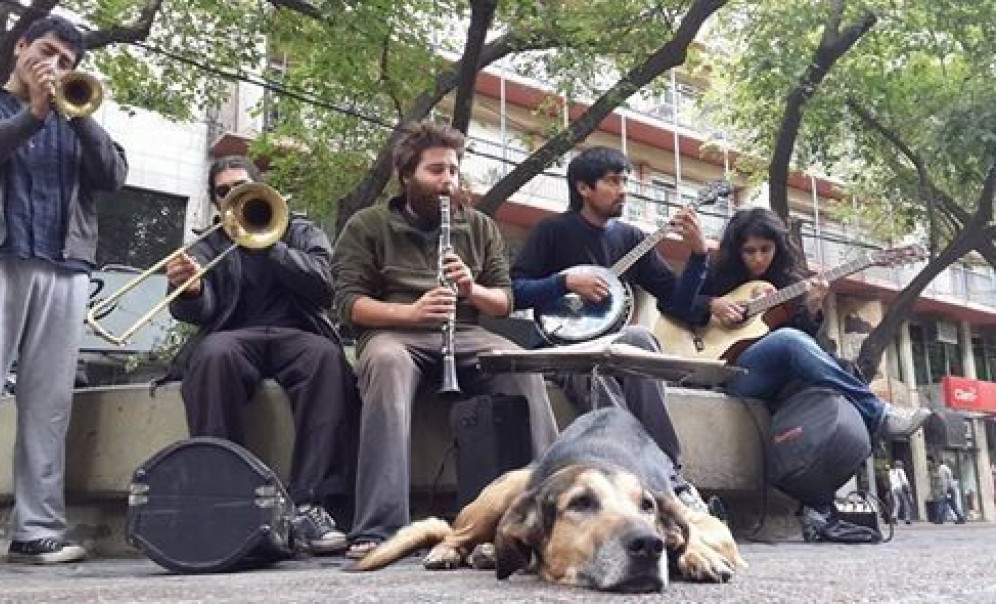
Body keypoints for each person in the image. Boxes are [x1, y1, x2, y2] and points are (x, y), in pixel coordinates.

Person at [0, 16, 128, 570]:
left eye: (68, 62)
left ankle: (36, 532)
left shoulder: (78, 111)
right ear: (20, 48)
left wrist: (79, 117)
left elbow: (113, 175)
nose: (56, 67)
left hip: (64, 266)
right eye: (47, 52)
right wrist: (33, 115)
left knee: (49, 407)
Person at [332, 121, 559, 559]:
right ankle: (381, 525)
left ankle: (550, 507)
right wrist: (410, 312)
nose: (447, 181)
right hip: (394, 332)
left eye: (453, 171)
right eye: (435, 171)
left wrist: (471, 290)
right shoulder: (368, 225)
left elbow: (505, 300)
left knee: (520, 366)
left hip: (468, 331)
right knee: (386, 364)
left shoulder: (478, 227)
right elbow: (347, 303)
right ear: (407, 175)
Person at [161, 156, 360, 555]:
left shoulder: (301, 230)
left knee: (325, 359)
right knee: (212, 356)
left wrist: (272, 246)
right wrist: (190, 292)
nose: (233, 195)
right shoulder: (207, 245)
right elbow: (194, 313)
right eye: (223, 191)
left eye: (240, 186)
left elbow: (325, 287)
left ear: (260, 187)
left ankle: (310, 505)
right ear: (215, 201)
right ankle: (226, 501)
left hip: (297, 335)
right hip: (233, 336)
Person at [509, 145, 710, 507]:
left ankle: (668, 474)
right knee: (598, 368)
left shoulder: (631, 238)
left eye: (626, 182)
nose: (624, 190)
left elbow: (678, 303)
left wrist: (697, 256)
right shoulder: (551, 230)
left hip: (615, 346)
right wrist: (565, 282)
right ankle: (649, 478)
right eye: (614, 182)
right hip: (562, 351)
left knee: (640, 338)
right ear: (583, 188)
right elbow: (513, 292)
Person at [692, 208, 930, 441]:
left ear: (778, 247)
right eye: (749, 251)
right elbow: (677, 304)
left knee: (790, 340)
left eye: (766, 249)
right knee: (787, 339)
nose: (759, 258)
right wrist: (711, 304)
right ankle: (879, 414)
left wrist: (813, 308)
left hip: (768, 378)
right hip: (721, 374)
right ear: (736, 251)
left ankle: (874, 417)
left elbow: (803, 347)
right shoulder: (716, 274)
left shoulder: (790, 284)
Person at [931, 456, 966, 524]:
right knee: (952, 505)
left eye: (935, 462)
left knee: (942, 503)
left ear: (938, 462)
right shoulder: (946, 468)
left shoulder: (941, 469)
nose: (935, 464)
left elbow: (943, 481)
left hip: (948, 489)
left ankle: (939, 519)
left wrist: (944, 491)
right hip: (950, 488)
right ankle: (960, 518)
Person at [887, 459, 914, 525]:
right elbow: (904, 481)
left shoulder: (890, 472)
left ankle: (894, 516)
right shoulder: (901, 471)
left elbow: (890, 482)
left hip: (893, 489)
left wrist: (890, 490)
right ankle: (907, 519)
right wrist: (909, 490)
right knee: (906, 503)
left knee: (897, 503)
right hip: (900, 488)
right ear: (900, 465)